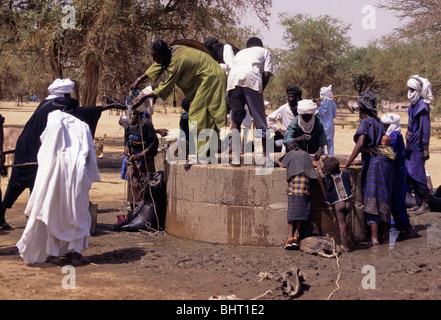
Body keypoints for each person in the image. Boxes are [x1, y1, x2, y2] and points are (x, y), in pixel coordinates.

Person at [0, 79, 125, 230]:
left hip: (31, 148)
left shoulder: (47, 103)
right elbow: (80, 113)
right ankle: (2, 215)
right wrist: (108, 107)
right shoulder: (56, 105)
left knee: (37, 182)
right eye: (68, 94)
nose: (69, 96)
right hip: (30, 151)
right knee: (17, 184)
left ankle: (34, 215)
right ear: (63, 93)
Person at [16, 110, 101, 265]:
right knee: (77, 213)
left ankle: (53, 253)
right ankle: (75, 253)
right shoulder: (83, 127)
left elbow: (44, 149)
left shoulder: (53, 121)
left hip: (54, 174)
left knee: (53, 212)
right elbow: (90, 156)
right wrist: (88, 177)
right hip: (77, 174)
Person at [131, 40, 228, 164]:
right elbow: (158, 64)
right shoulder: (172, 50)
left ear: (162, 54)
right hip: (209, 77)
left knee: (197, 114)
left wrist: (144, 97)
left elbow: (166, 85)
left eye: (155, 56)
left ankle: (201, 155)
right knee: (207, 116)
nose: (154, 60)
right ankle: (211, 151)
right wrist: (139, 79)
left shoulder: (177, 62)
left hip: (211, 78)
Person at [344, 91, 393, 247]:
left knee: (371, 199)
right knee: (383, 198)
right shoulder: (378, 123)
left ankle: (374, 240)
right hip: (384, 165)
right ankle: (384, 236)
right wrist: (359, 162)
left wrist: (347, 163)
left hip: (374, 166)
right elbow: (372, 148)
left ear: (361, 108)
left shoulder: (366, 122)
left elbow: (361, 143)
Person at [226, 37, 274, 165]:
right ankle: (266, 158)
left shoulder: (240, 53)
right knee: (260, 121)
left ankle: (236, 159)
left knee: (236, 120)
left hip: (232, 82)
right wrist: (260, 89)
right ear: (260, 45)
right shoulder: (265, 52)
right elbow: (267, 73)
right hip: (251, 80)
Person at [381, 113, 415, 238]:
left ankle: (405, 227)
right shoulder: (394, 134)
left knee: (397, 199)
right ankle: (403, 226)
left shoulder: (394, 136)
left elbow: (386, 151)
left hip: (396, 171)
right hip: (396, 170)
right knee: (396, 199)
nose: (384, 128)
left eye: (386, 126)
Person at [280, 142, 318, 250]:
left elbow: (283, 164)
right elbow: (315, 163)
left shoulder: (290, 154)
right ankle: (296, 235)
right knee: (301, 210)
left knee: (292, 212)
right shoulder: (305, 154)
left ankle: (290, 237)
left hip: (293, 187)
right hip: (304, 187)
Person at [406, 75, 433, 215]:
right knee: (411, 173)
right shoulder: (414, 104)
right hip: (411, 143)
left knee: (419, 174)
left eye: (412, 89)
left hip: (418, 145)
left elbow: (425, 129)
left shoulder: (422, 106)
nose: (409, 91)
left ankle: (425, 203)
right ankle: (417, 201)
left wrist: (425, 148)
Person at [124, 109, 159, 209]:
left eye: (133, 113)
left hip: (144, 160)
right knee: (132, 182)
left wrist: (143, 153)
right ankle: (133, 209)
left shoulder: (146, 123)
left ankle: (143, 210)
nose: (132, 116)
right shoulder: (129, 123)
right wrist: (126, 147)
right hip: (133, 158)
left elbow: (154, 141)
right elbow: (126, 138)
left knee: (143, 183)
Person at [317, 156, 353, 252]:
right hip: (348, 201)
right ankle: (348, 242)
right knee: (347, 223)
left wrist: (320, 170)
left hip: (339, 203)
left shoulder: (329, 177)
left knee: (342, 225)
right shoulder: (345, 174)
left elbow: (322, 176)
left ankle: (344, 246)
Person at [267, 85, 303, 153]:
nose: (291, 99)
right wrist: (280, 130)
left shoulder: (303, 108)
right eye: (289, 97)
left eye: (293, 97)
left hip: (302, 139)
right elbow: (268, 119)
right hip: (289, 140)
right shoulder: (284, 108)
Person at [318, 85, 337, 155]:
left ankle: (322, 157)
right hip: (331, 125)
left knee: (322, 142)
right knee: (330, 143)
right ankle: (331, 157)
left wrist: (315, 107)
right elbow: (334, 115)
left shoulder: (324, 101)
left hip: (324, 125)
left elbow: (321, 113)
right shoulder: (333, 103)